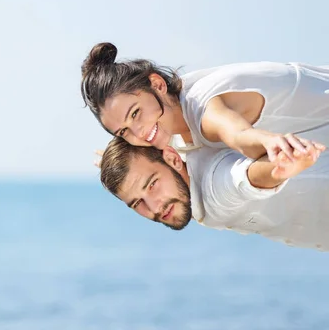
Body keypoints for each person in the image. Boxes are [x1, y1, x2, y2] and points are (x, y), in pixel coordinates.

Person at [81, 42, 329, 163]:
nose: (138, 133)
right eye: (123, 131)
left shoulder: (201, 104)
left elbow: (238, 135)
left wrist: (268, 141)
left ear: (157, 84)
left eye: (135, 114)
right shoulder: (173, 124)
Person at [97, 132, 328, 251]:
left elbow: (241, 178)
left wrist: (277, 169)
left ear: (172, 159)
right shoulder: (179, 169)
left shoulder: (213, 183)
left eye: (152, 184)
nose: (155, 207)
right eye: (137, 203)